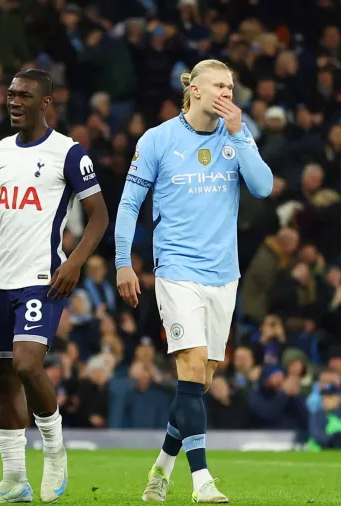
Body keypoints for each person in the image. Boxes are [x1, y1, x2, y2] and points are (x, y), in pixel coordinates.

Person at [0, 69, 109, 503]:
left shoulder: (68, 153)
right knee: (4, 377)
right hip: (1, 283)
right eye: (10, 95)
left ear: (46, 102)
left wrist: (76, 263)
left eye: (24, 96)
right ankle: (15, 479)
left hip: (43, 278)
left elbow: (100, 216)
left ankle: (55, 452)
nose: (13, 102)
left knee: (28, 364)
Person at [114, 59, 273, 503]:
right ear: (196, 90)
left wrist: (241, 134)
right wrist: (123, 261)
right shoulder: (158, 139)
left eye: (232, 86)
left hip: (225, 274)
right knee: (190, 365)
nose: (228, 93)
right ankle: (202, 480)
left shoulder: (235, 136)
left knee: (197, 384)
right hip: (177, 270)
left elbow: (262, 187)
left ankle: (161, 468)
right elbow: (129, 205)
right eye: (220, 85)